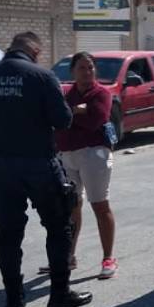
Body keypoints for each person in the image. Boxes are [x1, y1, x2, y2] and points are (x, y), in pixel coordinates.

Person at [0, 32, 92, 307]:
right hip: (38, 162)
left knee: (8, 234)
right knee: (59, 227)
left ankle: (14, 302)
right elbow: (63, 120)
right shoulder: (42, 76)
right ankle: (59, 295)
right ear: (34, 50)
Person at [45, 52, 118, 279]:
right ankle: (69, 256)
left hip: (93, 154)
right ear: (73, 72)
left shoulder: (102, 94)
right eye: (81, 68)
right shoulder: (68, 94)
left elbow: (95, 120)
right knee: (71, 207)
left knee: (99, 205)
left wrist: (73, 114)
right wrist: (77, 111)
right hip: (67, 155)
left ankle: (108, 258)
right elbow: (58, 121)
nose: (87, 72)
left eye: (90, 68)